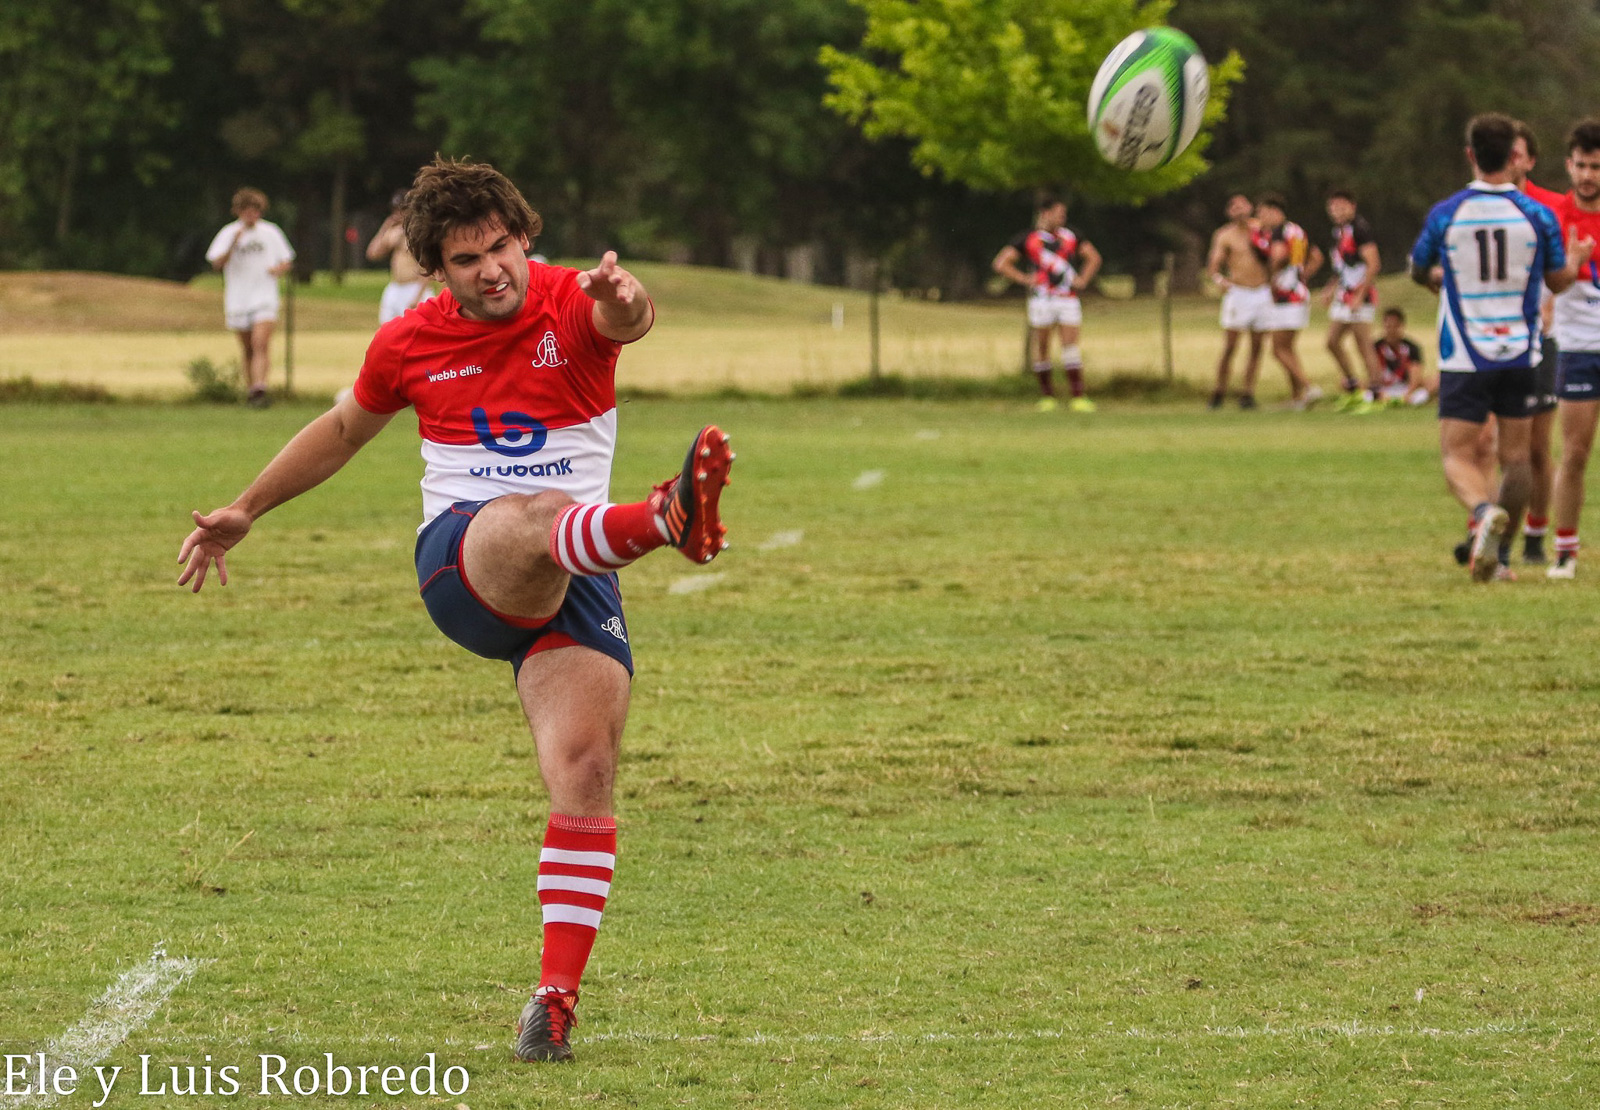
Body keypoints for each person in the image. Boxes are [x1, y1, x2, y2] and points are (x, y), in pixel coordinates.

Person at [177, 158, 735, 1063]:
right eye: (468, 258)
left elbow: (625, 318)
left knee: (586, 768)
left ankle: (553, 1004)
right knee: (532, 518)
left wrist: (628, 296)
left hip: (578, 561)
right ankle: (662, 517)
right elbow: (344, 430)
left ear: (526, 237)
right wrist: (247, 506)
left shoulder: (569, 299)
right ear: (438, 269)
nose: (493, 269)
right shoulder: (410, 339)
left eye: (503, 246)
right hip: (465, 563)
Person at [1410, 113, 1590, 581]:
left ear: (1470, 155)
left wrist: (1435, 278)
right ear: (1515, 156)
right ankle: (1499, 558)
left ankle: (1482, 512)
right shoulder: (1536, 215)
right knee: (1519, 459)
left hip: (1465, 353)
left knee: (1457, 455)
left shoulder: (1448, 212)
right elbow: (1558, 281)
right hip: (1522, 352)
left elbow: (1418, 266)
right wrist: (1574, 262)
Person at [1511, 122, 1566, 563]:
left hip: (1542, 338)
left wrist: (1550, 305)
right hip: (1491, 340)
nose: (1511, 161)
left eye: (1518, 154)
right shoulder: (1477, 207)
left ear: (1531, 160)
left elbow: (1565, 270)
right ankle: (1492, 529)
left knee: (1536, 447)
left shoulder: (1552, 206)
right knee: (1493, 443)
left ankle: (1534, 535)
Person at [1547, 119, 1600, 578]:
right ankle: (1565, 550)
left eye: (1596, 167)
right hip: (1579, 347)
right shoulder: (1555, 218)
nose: (1587, 175)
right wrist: (1573, 262)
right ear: (1569, 165)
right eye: (1581, 166)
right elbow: (1550, 282)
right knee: (1576, 452)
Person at [992, 196, 1103, 412]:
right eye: (1059, 213)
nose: (1063, 217)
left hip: (1067, 299)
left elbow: (1093, 258)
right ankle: (1047, 397)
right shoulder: (1029, 238)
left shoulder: (1071, 236)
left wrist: (1082, 280)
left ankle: (1078, 397)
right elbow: (1001, 263)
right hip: (1042, 300)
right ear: (1045, 213)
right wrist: (1025, 279)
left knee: (1070, 345)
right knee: (1042, 347)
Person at [206, 188, 295, 407]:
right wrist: (233, 244)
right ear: (238, 211)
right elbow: (217, 263)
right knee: (247, 347)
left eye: (255, 210)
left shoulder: (270, 232)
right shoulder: (228, 233)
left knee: (260, 343)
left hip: (264, 296)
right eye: (247, 210)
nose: (251, 215)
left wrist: (278, 270)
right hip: (238, 298)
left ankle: (260, 388)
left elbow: (286, 259)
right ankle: (251, 390)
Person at [1253, 193, 1326, 408]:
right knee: (1288, 348)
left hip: (1286, 296)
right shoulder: (1296, 230)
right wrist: (1302, 275)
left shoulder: (1279, 232)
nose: (1260, 219)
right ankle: (1298, 397)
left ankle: (1310, 388)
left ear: (1274, 211)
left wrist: (1272, 276)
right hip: (1298, 292)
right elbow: (1317, 256)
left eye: (1262, 213)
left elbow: (1278, 256)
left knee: (1278, 349)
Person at [1205, 193, 1271, 409]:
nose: (1240, 210)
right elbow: (1213, 266)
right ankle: (1219, 391)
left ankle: (1247, 392)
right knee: (1231, 346)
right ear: (1229, 212)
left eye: (1243, 205)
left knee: (1257, 346)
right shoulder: (1225, 235)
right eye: (1234, 207)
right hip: (1239, 293)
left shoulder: (1262, 230)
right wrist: (1219, 280)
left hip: (1262, 292)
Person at [1321, 190, 1382, 406]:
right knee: (1332, 342)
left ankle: (1376, 392)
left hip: (1359, 295)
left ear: (1352, 206)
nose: (1336, 211)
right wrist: (1330, 288)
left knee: (1363, 344)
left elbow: (1373, 264)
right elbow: (1342, 267)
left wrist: (1360, 295)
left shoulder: (1360, 229)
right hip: (1344, 294)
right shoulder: (1339, 232)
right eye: (1333, 207)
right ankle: (1354, 385)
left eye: (1341, 206)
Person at [366, 190, 435, 324]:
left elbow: (428, 267)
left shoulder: (420, 234)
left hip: (414, 287)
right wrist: (386, 226)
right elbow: (372, 253)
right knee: (387, 329)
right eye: (395, 210)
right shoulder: (395, 233)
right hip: (395, 287)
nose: (398, 214)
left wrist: (418, 296)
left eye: (401, 210)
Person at [1373, 307, 1429, 405]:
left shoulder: (1411, 347)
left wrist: (1408, 392)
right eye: (1388, 326)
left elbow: (1416, 372)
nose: (1391, 330)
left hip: (1406, 387)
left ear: (1401, 326)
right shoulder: (1376, 346)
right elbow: (1372, 372)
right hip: (1383, 388)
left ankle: (1403, 399)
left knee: (1437, 380)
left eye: (1395, 326)